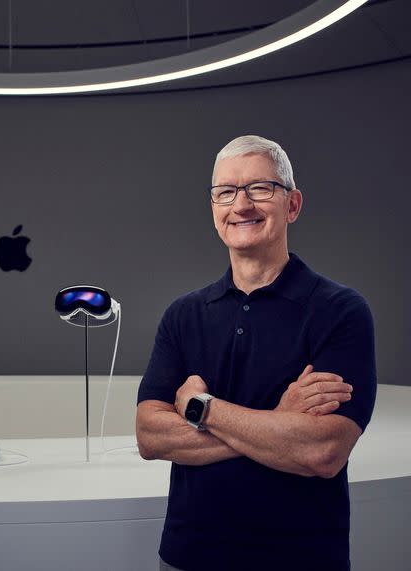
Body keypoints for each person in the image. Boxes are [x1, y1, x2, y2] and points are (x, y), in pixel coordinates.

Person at [136, 135, 376, 571]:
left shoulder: (340, 310)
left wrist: (200, 407)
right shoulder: (183, 314)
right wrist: (279, 423)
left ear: (293, 205)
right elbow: (150, 437)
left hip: (301, 557)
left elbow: (322, 451)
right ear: (214, 208)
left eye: (259, 189)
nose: (240, 205)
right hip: (189, 555)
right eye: (226, 192)